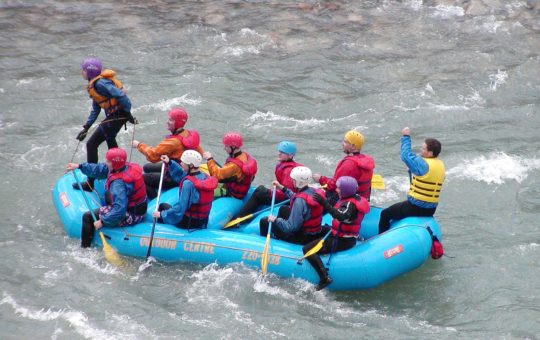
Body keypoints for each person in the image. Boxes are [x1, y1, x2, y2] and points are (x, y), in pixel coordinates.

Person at [73, 57, 136, 191]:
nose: (81, 72)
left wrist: (127, 112)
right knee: (110, 140)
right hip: (117, 116)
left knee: (91, 144)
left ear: (89, 72)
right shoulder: (94, 85)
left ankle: (90, 183)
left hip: (118, 115)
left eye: (83, 70)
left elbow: (121, 95)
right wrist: (86, 127)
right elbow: (96, 109)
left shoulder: (100, 84)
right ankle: (120, 173)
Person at [66, 148, 147, 248]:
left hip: (132, 214)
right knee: (108, 194)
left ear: (115, 163)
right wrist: (80, 166)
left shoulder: (118, 184)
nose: (106, 162)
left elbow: (120, 210)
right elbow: (100, 169)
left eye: (108, 161)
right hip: (136, 206)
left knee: (87, 217)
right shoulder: (124, 167)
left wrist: (102, 221)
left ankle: (84, 248)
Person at [303, 176, 370, 290]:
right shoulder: (351, 197)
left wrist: (323, 203)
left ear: (345, 190)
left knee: (307, 249)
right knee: (323, 229)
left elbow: (341, 216)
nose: (337, 190)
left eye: (339, 188)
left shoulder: (350, 205)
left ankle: (324, 278)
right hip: (343, 235)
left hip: (342, 241)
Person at [378, 127, 445, 234]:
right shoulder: (440, 165)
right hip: (431, 209)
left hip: (417, 207)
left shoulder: (423, 164)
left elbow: (405, 156)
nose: (420, 150)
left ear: (430, 153)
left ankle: (380, 241)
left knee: (385, 214)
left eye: (423, 149)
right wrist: (413, 168)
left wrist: (406, 136)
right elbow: (426, 177)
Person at [131, 108, 204, 199]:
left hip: (175, 176)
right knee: (147, 167)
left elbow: (153, 156)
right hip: (182, 169)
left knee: (141, 179)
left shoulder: (173, 142)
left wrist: (139, 145)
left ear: (177, 123)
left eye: (170, 120)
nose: (167, 122)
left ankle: (153, 198)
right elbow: (200, 153)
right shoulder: (188, 134)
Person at [259, 166, 325, 245]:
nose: (292, 181)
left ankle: (265, 244)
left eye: (293, 180)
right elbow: (296, 196)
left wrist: (276, 220)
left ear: (299, 182)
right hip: (313, 233)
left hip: (302, 237)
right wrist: (282, 188)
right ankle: (277, 235)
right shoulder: (314, 191)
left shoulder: (299, 201)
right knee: (283, 209)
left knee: (264, 221)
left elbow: (291, 228)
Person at [153, 150, 218, 229]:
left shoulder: (188, 183)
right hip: (202, 220)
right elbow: (182, 175)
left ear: (190, 165)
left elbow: (181, 208)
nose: (181, 163)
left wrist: (161, 214)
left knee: (162, 206)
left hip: (189, 222)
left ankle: (160, 231)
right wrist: (169, 162)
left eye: (183, 162)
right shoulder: (204, 176)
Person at [236, 141, 302, 218]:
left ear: (290, 156)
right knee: (261, 190)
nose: (279, 154)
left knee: (259, 191)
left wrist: (271, 192)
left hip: (286, 199)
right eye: (279, 151)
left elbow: (285, 193)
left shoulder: (288, 171)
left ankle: (240, 218)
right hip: (287, 196)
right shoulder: (288, 165)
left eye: (282, 152)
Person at [313, 130, 374, 205]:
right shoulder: (365, 160)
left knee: (314, 196)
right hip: (362, 199)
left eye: (345, 142)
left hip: (349, 202)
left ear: (353, 146)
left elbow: (334, 185)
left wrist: (320, 179)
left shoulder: (350, 164)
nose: (342, 144)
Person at [202, 132, 257, 199]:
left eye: (226, 146)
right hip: (234, 186)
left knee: (203, 191)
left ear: (233, 147)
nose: (224, 148)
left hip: (232, 193)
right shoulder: (244, 155)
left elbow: (216, 176)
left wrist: (209, 159)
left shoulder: (234, 165)